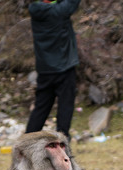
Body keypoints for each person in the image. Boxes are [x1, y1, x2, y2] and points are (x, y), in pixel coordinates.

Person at [25, 0, 81, 139]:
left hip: (44, 69)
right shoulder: (59, 12)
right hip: (64, 68)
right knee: (65, 108)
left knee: (40, 109)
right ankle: (62, 145)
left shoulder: (35, 11)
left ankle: (26, 145)